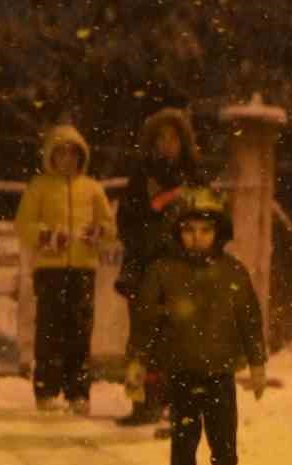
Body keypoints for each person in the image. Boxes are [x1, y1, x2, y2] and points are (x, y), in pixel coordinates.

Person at [133, 187, 267, 465]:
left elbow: (250, 319)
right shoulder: (163, 271)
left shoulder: (232, 272)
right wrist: (136, 361)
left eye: (205, 230)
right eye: (189, 230)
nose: (196, 238)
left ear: (218, 232)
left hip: (220, 372)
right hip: (180, 371)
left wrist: (257, 363)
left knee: (223, 439)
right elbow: (146, 319)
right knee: (184, 438)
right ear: (178, 231)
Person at [13, 123, 116, 415]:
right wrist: (47, 236)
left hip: (83, 268)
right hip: (50, 269)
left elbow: (109, 226)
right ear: (51, 156)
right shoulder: (39, 186)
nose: (67, 160)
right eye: (61, 154)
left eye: (73, 154)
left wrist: (98, 232)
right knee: (49, 331)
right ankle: (46, 390)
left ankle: (78, 392)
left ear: (82, 157)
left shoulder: (93, 188)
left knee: (80, 332)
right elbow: (23, 225)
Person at [113, 106, 207, 426]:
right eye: (161, 138)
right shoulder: (141, 177)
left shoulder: (195, 178)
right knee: (142, 341)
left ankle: (180, 406)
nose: (167, 144)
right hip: (144, 268)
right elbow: (126, 222)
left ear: (184, 141)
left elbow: (212, 222)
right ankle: (142, 404)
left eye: (173, 138)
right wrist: (150, 224)